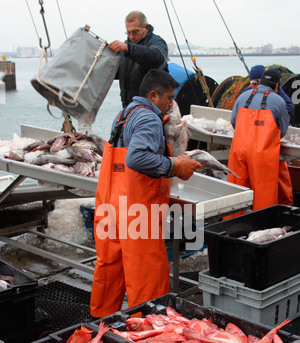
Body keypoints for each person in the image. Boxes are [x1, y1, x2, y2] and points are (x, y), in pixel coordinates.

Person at [90, 69, 202, 318]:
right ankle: (148, 333)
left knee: (110, 269)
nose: (171, 104)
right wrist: (176, 166)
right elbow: (137, 157)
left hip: (111, 206)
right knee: (146, 274)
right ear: (153, 95)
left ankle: (101, 327)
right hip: (138, 212)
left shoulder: (123, 115)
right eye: (169, 98)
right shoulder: (148, 119)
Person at [227, 68, 293, 212]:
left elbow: (234, 122)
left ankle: (232, 225)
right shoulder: (279, 101)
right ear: (277, 85)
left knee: (235, 191)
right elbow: (282, 130)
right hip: (262, 155)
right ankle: (262, 227)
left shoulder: (242, 97)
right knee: (264, 195)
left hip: (238, 151)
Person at [109, 11, 169, 107]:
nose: (132, 36)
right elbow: (117, 73)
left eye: (135, 32)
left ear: (146, 28)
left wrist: (128, 49)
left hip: (152, 108)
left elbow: (157, 57)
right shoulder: (125, 47)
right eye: (128, 33)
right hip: (129, 107)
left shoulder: (157, 42)